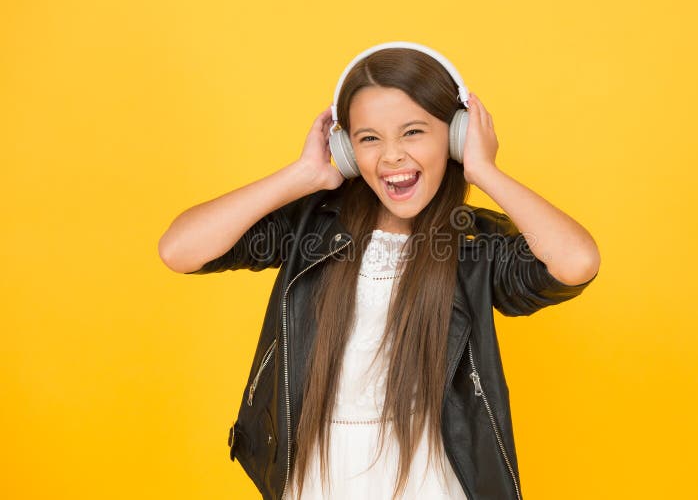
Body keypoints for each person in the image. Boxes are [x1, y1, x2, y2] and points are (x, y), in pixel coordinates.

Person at [158, 42, 600, 500]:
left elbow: (577, 262)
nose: (391, 156)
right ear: (346, 150)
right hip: (317, 478)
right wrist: (301, 175)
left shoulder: (472, 246)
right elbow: (179, 249)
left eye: (412, 132)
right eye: (369, 138)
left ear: (454, 136)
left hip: (429, 481)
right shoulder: (310, 228)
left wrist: (484, 170)